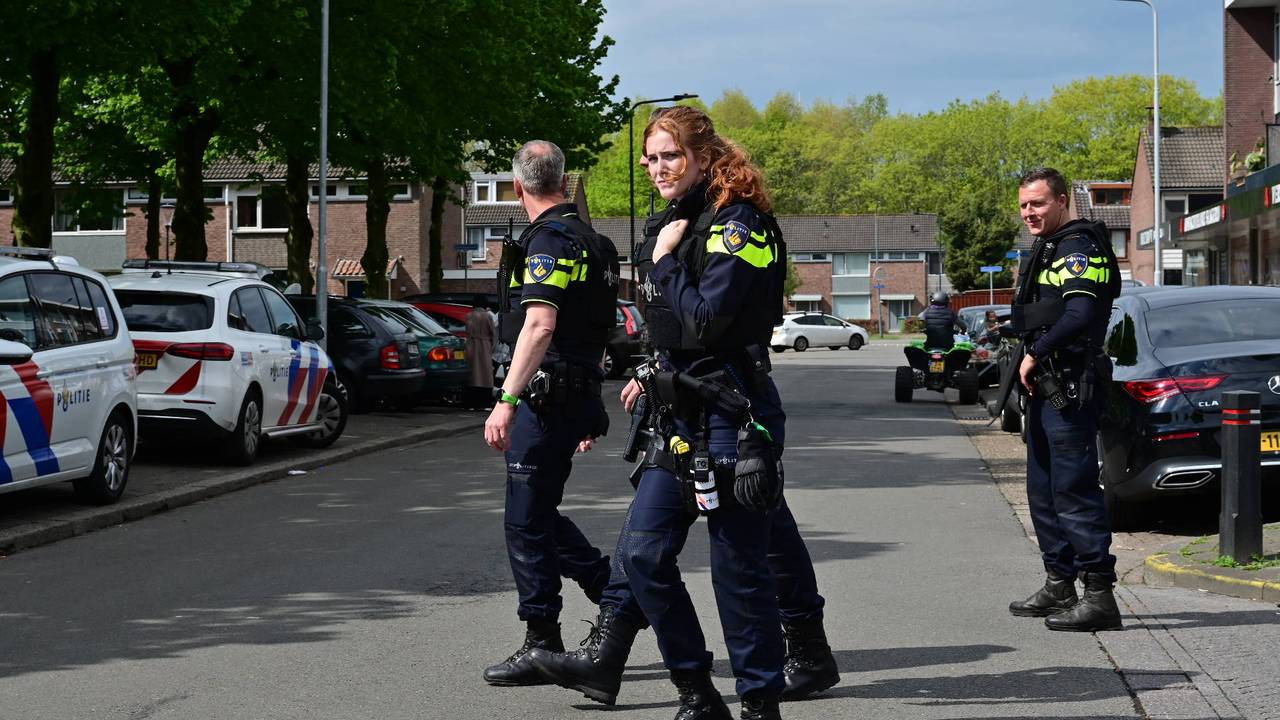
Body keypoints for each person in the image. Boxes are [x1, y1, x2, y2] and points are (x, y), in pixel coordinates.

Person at [552, 106, 797, 720]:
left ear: (703, 156)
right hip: (678, 416)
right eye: (651, 157)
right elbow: (671, 327)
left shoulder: (740, 223)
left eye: (670, 156)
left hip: (733, 416)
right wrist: (648, 368)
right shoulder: (680, 219)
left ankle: (760, 703)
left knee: (739, 571)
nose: (657, 167)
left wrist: (662, 262)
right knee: (640, 554)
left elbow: (711, 320)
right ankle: (696, 689)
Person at [481, 140, 618, 685]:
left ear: (518, 188)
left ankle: (544, 637)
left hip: (545, 393)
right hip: (575, 390)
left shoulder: (549, 240)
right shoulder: (597, 243)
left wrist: (506, 401)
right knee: (537, 513)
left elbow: (540, 325)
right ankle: (615, 597)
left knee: (525, 520)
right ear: (562, 179)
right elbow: (600, 326)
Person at [1005, 167, 1122, 632]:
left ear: (1062, 201)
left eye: (1038, 203)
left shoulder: (1077, 247)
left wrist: (1035, 352)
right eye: (1023, 206)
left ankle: (1099, 595)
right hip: (1048, 389)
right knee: (1043, 489)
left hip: (1070, 385)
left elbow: (1080, 313)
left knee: (1073, 491)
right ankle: (1059, 582)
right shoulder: (1048, 247)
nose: (1029, 213)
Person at [466, 303, 495, 389]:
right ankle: (485, 386)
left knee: (474, 366)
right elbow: (493, 331)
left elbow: (467, 330)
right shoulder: (487, 316)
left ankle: (473, 385)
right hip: (485, 343)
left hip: (471, 343)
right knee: (485, 367)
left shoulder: (469, 315)